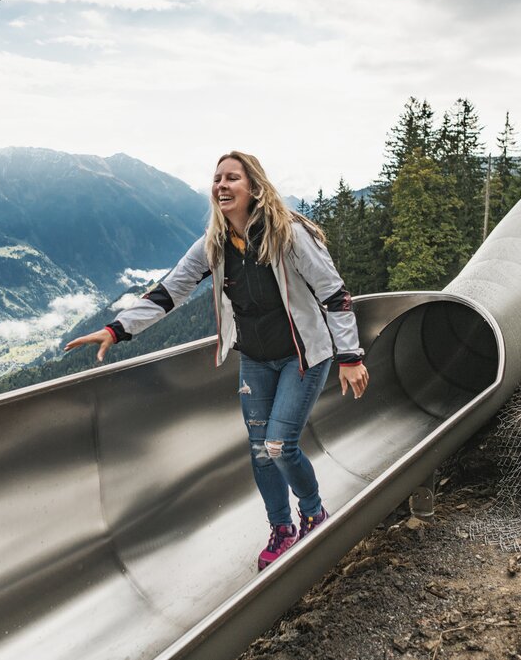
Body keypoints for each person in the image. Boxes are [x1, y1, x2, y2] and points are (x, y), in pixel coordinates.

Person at [65, 150, 369, 570]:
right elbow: (170, 290)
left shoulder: (288, 234)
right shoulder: (215, 243)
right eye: (217, 179)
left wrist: (350, 356)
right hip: (255, 361)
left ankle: (314, 515)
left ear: (254, 188)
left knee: (281, 445)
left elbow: (334, 293)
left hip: (303, 356)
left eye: (232, 179)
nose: (221, 185)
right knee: (261, 451)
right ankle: (281, 529)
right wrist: (116, 329)